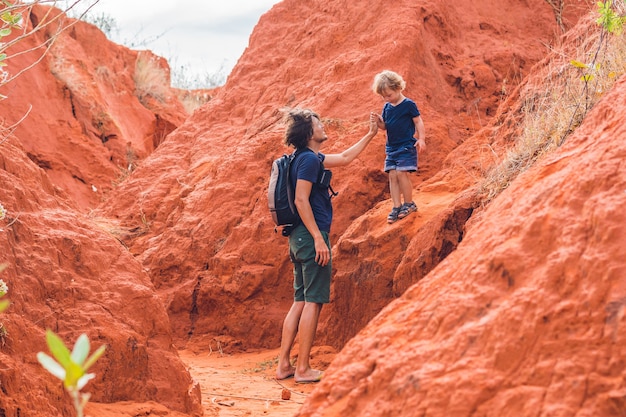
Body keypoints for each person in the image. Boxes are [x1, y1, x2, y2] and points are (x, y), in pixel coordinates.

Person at [275, 108, 378, 383]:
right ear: (310, 133)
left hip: (298, 238)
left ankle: (284, 364)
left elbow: (344, 158)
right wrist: (319, 239)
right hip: (311, 237)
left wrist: (370, 134)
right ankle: (303, 369)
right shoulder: (309, 161)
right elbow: (300, 200)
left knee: (299, 300)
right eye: (318, 123)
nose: (323, 126)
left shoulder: (304, 158)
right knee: (313, 302)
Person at [372, 70, 426, 224]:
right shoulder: (387, 107)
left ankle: (409, 203)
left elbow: (418, 121)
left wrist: (421, 139)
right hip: (391, 148)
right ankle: (396, 206)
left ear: (398, 88)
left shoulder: (408, 104)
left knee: (402, 173)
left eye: (388, 95)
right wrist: (378, 122)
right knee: (392, 175)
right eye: (383, 96)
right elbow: (385, 127)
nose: (385, 98)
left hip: (406, 145)